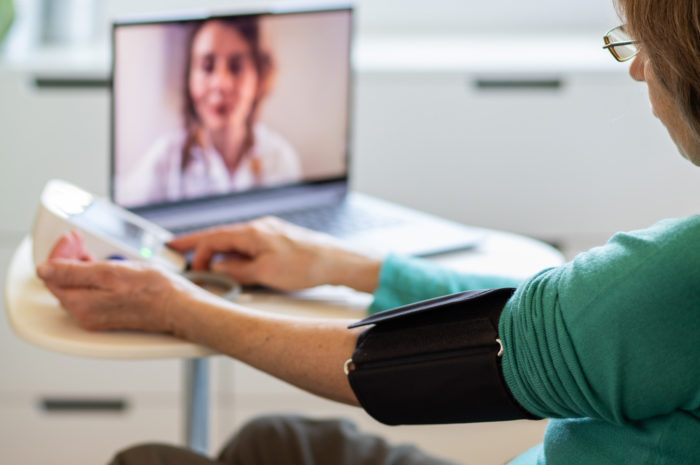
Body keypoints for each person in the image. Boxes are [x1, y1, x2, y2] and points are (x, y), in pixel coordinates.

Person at [37, 0, 700, 463]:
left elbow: (392, 371)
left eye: (639, 44)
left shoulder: (679, 271)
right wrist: (338, 263)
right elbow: (562, 317)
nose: (638, 67)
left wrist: (178, 308)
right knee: (273, 441)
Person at [118, 16, 302, 208]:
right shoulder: (164, 160)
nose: (220, 84)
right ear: (189, 78)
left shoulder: (280, 158)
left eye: (236, 67)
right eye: (207, 67)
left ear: (259, 79)